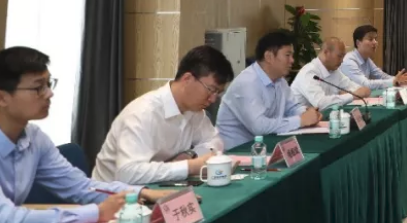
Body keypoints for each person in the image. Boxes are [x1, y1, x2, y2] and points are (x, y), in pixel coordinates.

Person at [0, 47, 173, 223]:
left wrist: (141, 193)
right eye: (38, 88)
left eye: (49, 84)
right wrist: (96, 213)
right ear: (2, 98)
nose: (49, 94)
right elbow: (7, 217)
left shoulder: (35, 139)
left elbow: (80, 187)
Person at [93, 46, 233, 185]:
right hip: (113, 194)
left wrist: (191, 155)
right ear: (187, 79)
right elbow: (127, 174)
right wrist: (189, 166)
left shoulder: (194, 111)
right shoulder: (143, 113)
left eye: (218, 93)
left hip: (157, 187)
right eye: (211, 90)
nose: (213, 99)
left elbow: (215, 142)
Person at [217, 31, 323, 149]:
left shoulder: (280, 80)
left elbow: (291, 107)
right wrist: (300, 121)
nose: (292, 60)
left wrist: (307, 113)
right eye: (287, 55)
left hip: (262, 146)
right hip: (237, 150)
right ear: (269, 57)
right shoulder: (247, 83)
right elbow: (259, 127)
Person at [291, 37, 372, 110]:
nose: (342, 61)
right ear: (326, 52)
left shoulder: (334, 71)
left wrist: (358, 92)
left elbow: (358, 89)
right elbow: (320, 104)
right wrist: (352, 96)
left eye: (343, 57)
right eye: (339, 56)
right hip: (298, 120)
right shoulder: (309, 73)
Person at [339, 25, 407, 90]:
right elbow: (365, 84)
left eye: (375, 39)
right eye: (370, 39)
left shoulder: (366, 59)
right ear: (358, 43)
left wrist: (400, 79)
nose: (375, 42)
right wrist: (393, 81)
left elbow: (381, 75)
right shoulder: (349, 61)